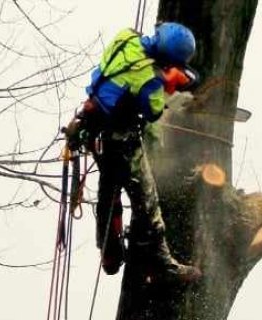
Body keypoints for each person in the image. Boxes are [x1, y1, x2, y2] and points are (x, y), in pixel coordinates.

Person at [65, 22, 202, 282]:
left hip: (95, 128)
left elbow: (129, 74)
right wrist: (167, 83)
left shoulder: (126, 37)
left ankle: (109, 252)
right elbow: (153, 111)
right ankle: (162, 265)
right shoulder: (148, 79)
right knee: (148, 205)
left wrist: (162, 74)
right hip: (122, 141)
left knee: (109, 192)